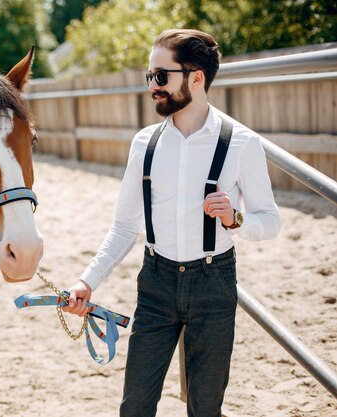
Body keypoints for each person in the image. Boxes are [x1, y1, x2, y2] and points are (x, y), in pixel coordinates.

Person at [62, 29, 280, 417]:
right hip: (156, 284)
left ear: (196, 77)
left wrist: (236, 219)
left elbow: (270, 222)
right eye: (150, 77)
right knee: (135, 406)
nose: (153, 87)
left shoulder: (242, 143)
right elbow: (125, 225)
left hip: (214, 286)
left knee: (205, 408)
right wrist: (86, 281)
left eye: (161, 76)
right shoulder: (144, 144)